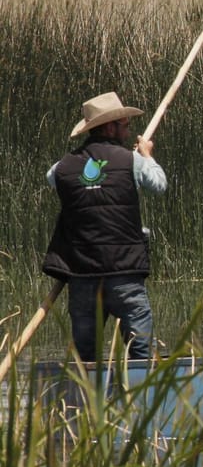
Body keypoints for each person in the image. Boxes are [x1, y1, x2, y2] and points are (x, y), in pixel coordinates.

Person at [42, 92, 168, 361]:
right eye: (124, 125)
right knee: (141, 352)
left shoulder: (63, 167)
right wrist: (146, 156)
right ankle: (141, 399)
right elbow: (159, 185)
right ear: (109, 127)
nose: (127, 129)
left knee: (85, 357)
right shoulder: (131, 161)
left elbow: (51, 177)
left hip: (83, 275)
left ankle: (85, 402)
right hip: (124, 273)